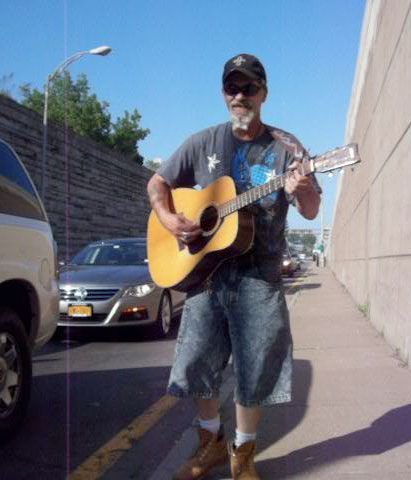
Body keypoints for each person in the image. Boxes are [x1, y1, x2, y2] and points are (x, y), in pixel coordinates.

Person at [146, 53, 321, 480]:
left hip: (259, 277)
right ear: (224, 93)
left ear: (263, 93)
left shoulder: (287, 149)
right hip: (206, 275)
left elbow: (312, 211)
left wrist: (302, 188)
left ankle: (242, 456)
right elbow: (157, 183)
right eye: (232, 88)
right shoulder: (203, 142)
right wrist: (169, 219)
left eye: (248, 88)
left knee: (255, 369)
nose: (239, 96)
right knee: (196, 365)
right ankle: (210, 443)